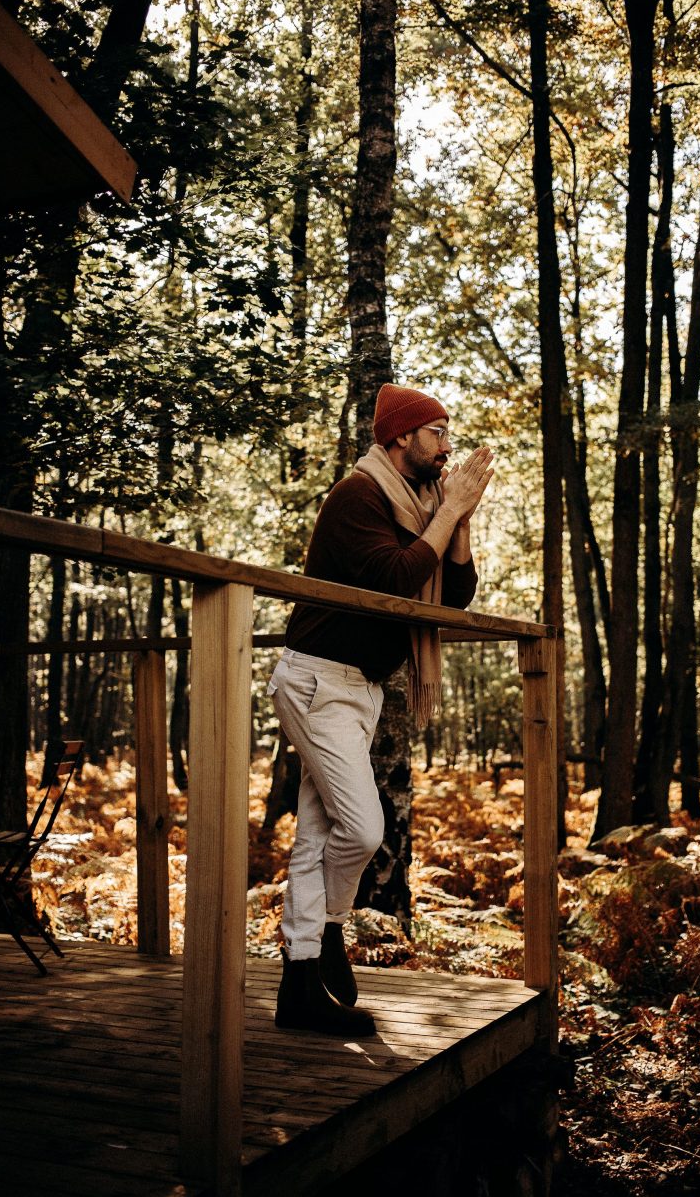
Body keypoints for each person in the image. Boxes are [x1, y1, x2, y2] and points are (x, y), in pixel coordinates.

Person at [268, 382, 493, 1036]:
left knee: (317, 835)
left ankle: (299, 984)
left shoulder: (422, 502)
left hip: (359, 687)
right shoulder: (358, 495)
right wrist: (447, 511)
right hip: (316, 679)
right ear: (399, 436)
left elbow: (451, 597)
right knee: (364, 828)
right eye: (436, 431)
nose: (447, 445)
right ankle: (330, 932)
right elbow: (392, 580)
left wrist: (459, 518)